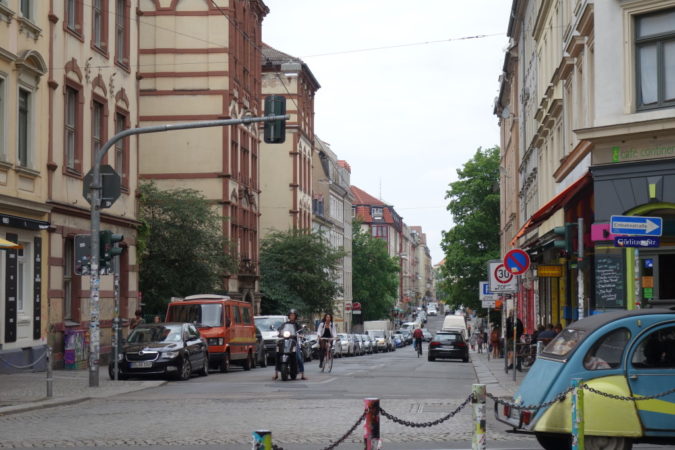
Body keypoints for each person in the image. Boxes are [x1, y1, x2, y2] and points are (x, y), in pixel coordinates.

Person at [273, 309, 307, 381]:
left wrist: (301, 335)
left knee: (298, 356)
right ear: (289, 316)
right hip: (285, 342)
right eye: (291, 315)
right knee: (277, 354)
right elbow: (280, 330)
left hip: (294, 342)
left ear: (295, 316)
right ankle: (276, 374)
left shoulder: (297, 325)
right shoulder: (285, 324)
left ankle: (302, 374)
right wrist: (279, 333)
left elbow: (301, 331)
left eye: (293, 315)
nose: (292, 316)